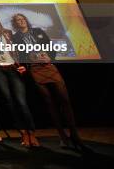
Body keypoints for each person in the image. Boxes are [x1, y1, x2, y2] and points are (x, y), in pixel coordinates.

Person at [11, 13, 90, 153]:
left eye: (22, 19)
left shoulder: (38, 31)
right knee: (49, 102)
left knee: (64, 99)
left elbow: (50, 46)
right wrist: (25, 65)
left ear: (26, 20)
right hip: (34, 69)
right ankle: (63, 137)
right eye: (18, 20)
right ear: (15, 23)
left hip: (48, 66)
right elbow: (19, 54)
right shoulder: (16, 37)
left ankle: (75, 135)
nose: (21, 21)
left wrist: (49, 56)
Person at [0, 15, 38, 147]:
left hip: (12, 67)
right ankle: (23, 132)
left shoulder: (8, 33)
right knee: (9, 101)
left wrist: (21, 64)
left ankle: (32, 133)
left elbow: (17, 49)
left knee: (21, 101)